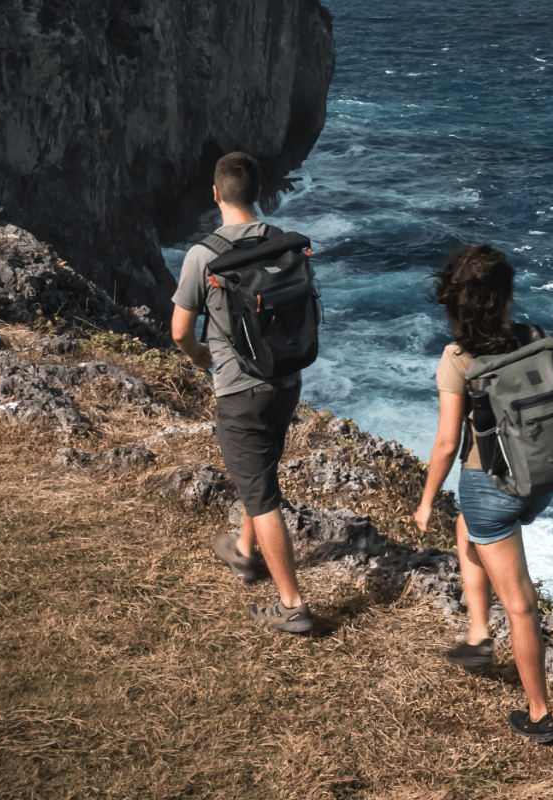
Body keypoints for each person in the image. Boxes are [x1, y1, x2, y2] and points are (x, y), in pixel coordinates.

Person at [411, 243, 553, 743]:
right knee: (469, 526)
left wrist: (425, 499)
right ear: (505, 298)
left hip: (491, 487)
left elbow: (446, 442)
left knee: (520, 605)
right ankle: (477, 632)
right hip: (541, 478)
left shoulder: (458, 360)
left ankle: (539, 716)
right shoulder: (536, 338)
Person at [171, 151, 313, 634]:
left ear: (215, 195)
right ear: (259, 194)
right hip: (286, 379)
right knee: (261, 475)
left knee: (262, 496)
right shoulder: (282, 242)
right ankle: (244, 551)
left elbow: (178, 331)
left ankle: (292, 605)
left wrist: (200, 357)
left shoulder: (202, 255)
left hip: (239, 391)